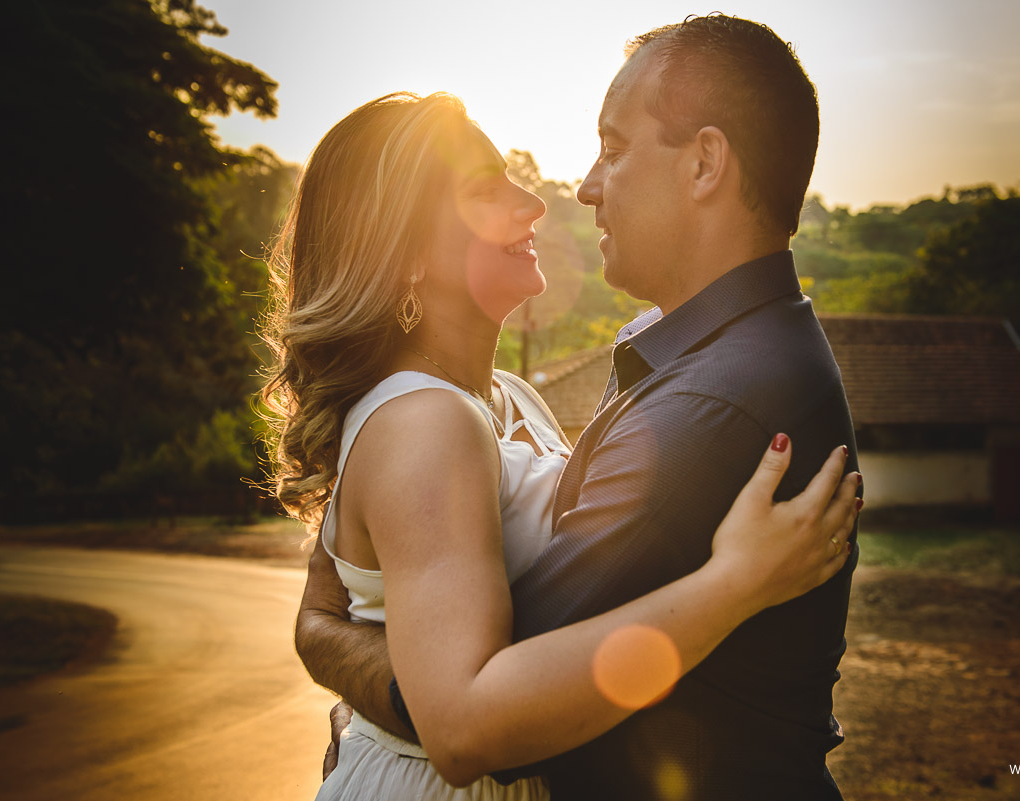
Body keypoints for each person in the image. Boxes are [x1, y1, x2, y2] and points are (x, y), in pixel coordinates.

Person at [293, 13, 862, 800]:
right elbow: (459, 706)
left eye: (614, 148)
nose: (550, 197)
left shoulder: (673, 401)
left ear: (706, 164)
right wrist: (330, 626)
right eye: (486, 190)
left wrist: (328, 633)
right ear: (411, 250)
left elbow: (464, 704)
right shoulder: (433, 420)